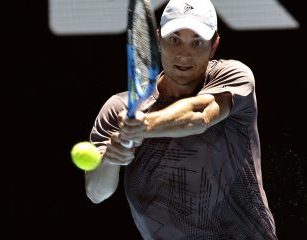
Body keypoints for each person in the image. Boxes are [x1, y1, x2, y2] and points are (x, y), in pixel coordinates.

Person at [85, 0, 277, 238]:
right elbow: (96, 192)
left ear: (213, 45)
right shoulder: (118, 109)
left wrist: (143, 126)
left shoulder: (233, 76)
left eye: (197, 42)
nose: (184, 54)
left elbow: (200, 114)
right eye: (174, 39)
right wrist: (112, 158)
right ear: (158, 40)